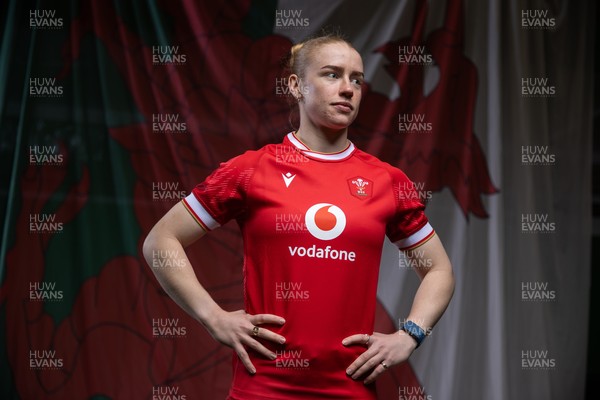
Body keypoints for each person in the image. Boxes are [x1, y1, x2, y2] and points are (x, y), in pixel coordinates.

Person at [143, 32, 455, 400]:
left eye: (356, 79)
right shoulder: (251, 169)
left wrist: (410, 335)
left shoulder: (386, 181)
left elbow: (439, 270)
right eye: (331, 74)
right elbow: (160, 242)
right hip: (262, 390)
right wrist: (212, 316)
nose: (347, 88)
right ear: (296, 85)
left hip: (351, 389)